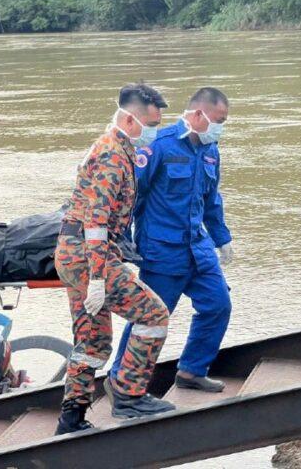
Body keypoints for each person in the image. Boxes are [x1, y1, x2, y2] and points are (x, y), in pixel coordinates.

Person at [54, 83, 175, 435]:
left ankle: (71, 418)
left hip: (76, 253)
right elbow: (95, 221)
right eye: (150, 124)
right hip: (88, 255)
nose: (154, 131)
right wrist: (97, 277)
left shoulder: (117, 148)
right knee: (153, 315)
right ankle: (129, 395)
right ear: (128, 118)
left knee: (92, 341)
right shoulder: (111, 154)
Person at [110, 87, 233, 393]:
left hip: (198, 248)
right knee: (150, 317)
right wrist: (122, 246)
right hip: (163, 251)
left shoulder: (210, 150)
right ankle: (119, 379)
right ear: (196, 114)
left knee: (218, 305)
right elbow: (131, 198)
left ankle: (192, 371)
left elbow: (211, 199)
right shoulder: (159, 147)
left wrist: (222, 238)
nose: (220, 127)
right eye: (217, 120)